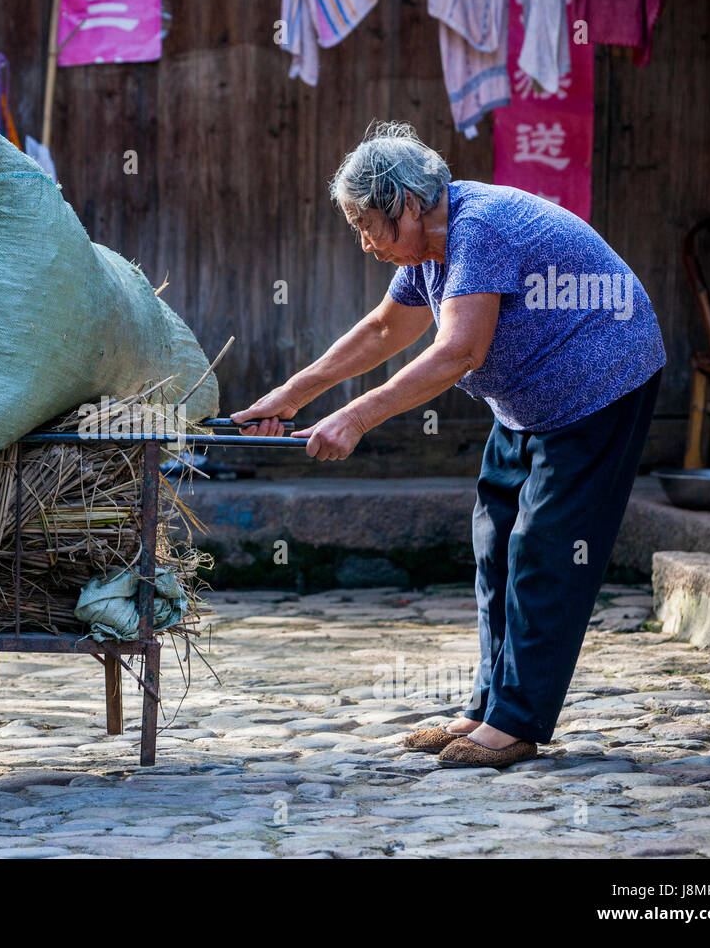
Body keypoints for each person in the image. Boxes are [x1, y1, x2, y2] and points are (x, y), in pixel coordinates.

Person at [232, 121, 665, 767]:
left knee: (545, 551)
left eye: (366, 224)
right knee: (496, 546)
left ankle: (517, 724)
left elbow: (459, 350)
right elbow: (383, 331)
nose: (365, 243)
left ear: (404, 204)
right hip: (524, 406)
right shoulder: (430, 247)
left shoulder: (479, 227)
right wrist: (293, 394)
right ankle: (489, 706)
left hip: (598, 389)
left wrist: (355, 418)